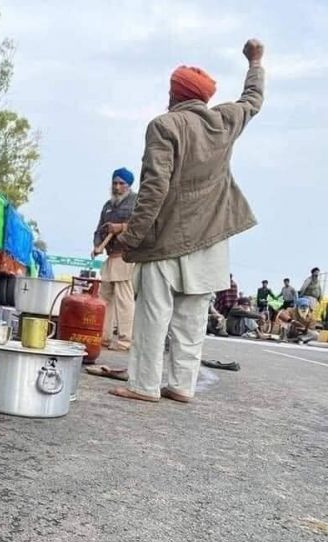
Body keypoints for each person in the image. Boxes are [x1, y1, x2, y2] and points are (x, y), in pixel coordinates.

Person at [106, 39, 264, 404]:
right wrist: (255, 62)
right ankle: (181, 385)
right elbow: (253, 100)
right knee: (191, 318)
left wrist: (131, 237)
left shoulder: (165, 126)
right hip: (211, 236)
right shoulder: (225, 120)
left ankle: (144, 385)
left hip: (166, 239)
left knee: (153, 314)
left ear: (176, 94)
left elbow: (153, 189)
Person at [92, 167, 138, 350]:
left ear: (128, 185)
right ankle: (102, 337)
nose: (117, 187)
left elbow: (142, 225)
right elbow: (99, 229)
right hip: (110, 257)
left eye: (121, 183)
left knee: (124, 300)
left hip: (126, 256)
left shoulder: (137, 202)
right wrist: (97, 245)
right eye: (115, 183)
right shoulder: (108, 205)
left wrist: (121, 227)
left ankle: (125, 340)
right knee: (104, 299)